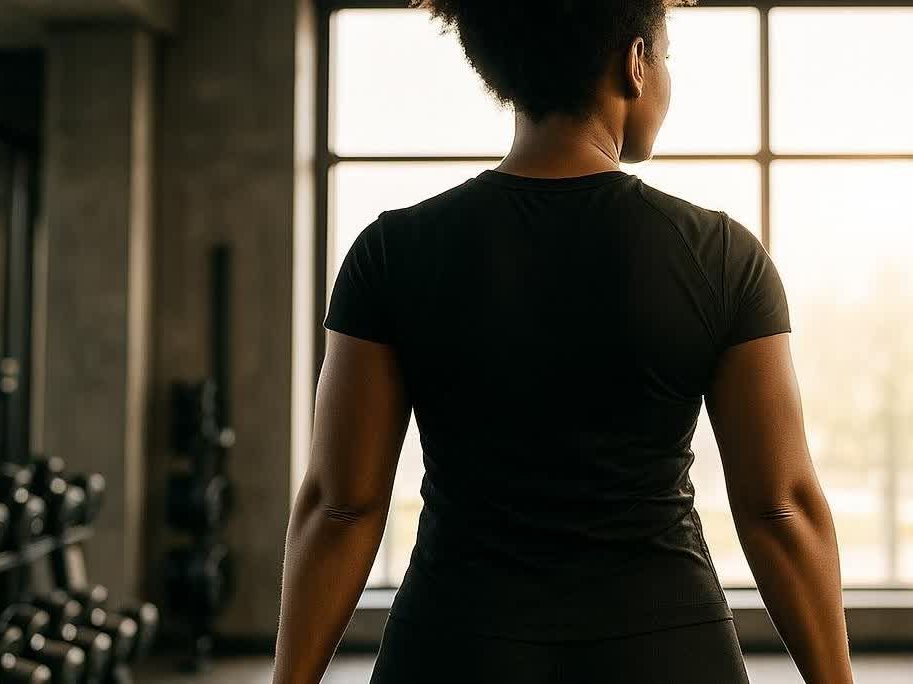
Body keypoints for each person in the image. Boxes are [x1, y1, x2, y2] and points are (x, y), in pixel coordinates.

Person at [273, 2, 852, 682]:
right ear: (636, 64)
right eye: (665, 58)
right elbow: (780, 507)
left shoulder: (391, 253)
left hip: (454, 648)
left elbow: (341, 507)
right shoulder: (721, 256)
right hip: (665, 650)